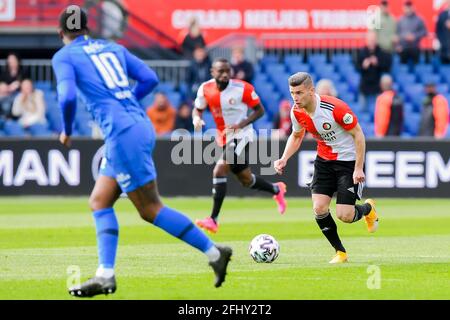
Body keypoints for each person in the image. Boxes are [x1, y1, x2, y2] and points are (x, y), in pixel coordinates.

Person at [52, 5, 232, 298]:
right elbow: (149, 78)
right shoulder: (111, 47)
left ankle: (214, 254)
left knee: (150, 209)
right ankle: (105, 275)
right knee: (99, 201)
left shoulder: (63, 56)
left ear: (61, 33)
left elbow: (68, 95)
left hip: (123, 134)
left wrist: (68, 130)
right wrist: (127, 104)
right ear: (87, 29)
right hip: (137, 126)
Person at [274, 72, 379, 264]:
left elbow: (359, 135)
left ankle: (368, 209)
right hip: (323, 161)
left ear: (311, 91)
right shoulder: (296, 111)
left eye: (299, 93)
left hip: (347, 162)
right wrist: (283, 158)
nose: (295, 98)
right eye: (292, 93)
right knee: (319, 208)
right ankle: (341, 253)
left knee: (344, 216)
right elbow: (297, 136)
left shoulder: (335, 108)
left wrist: (358, 168)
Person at [192, 58, 287, 234]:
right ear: (212, 72)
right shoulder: (205, 88)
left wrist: (241, 125)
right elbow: (198, 108)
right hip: (224, 137)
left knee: (219, 170)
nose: (225, 74)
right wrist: (196, 118)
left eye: (228, 70)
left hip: (243, 135)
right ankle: (276, 189)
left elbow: (260, 110)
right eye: (221, 71)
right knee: (246, 180)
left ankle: (213, 219)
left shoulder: (242, 88)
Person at [356, 31, 392, 113]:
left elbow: (387, 67)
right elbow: (357, 67)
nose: (372, 42)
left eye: (373, 40)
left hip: (377, 84)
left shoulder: (381, 52)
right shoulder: (361, 52)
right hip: (364, 85)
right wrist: (363, 66)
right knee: (362, 111)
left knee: (379, 110)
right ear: (367, 40)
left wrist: (377, 63)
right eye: (370, 40)